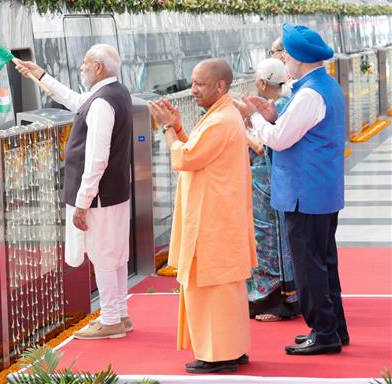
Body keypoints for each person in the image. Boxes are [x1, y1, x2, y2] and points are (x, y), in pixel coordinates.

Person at [234, 24, 349, 356]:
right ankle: (334, 327)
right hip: (320, 191)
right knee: (324, 262)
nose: (282, 59)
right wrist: (271, 113)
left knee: (309, 265)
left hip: (305, 193)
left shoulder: (310, 94)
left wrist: (254, 117)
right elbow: (291, 125)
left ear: (298, 58)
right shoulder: (322, 86)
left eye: (285, 53)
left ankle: (323, 331)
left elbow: (279, 139)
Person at [14, 44, 133, 340]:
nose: (81, 67)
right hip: (114, 192)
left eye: (85, 63)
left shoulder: (103, 102)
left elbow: (96, 159)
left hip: (100, 197)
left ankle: (110, 320)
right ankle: (119, 314)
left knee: (104, 256)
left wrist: (82, 203)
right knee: (115, 255)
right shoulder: (115, 92)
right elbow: (75, 101)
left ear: (99, 68)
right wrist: (39, 75)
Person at [148, 58, 256, 373]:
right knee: (223, 290)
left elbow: (187, 157)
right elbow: (196, 148)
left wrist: (167, 127)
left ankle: (217, 355)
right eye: (192, 83)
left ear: (220, 86)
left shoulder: (222, 119)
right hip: (218, 217)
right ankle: (230, 349)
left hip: (213, 221)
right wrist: (180, 127)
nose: (192, 90)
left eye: (199, 84)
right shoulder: (219, 115)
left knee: (211, 288)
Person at [246, 59, 299, 322]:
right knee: (279, 243)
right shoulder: (289, 103)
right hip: (275, 185)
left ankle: (274, 302)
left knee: (268, 243)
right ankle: (287, 297)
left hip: (266, 186)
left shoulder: (276, 108)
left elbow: (262, 146)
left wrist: (245, 124)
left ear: (263, 83)